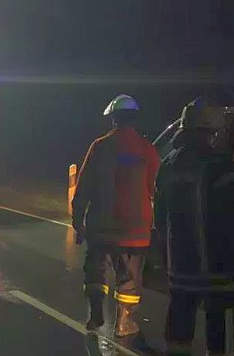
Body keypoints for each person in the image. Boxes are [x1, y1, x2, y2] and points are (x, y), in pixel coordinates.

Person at [153, 99, 234, 355]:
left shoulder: (168, 165)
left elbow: (160, 218)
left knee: (179, 328)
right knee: (219, 332)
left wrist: (165, 257)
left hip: (181, 268)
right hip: (219, 269)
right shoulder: (223, 166)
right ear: (212, 131)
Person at [72, 94, 160, 336]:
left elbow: (84, 185)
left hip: (101, 224)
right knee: (129, 278)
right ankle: (124, 323)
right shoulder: (147, 149)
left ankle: (96, 315)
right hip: (136, 229)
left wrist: (77, 220)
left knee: (96, 271)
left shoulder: (100, 146)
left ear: (113, 119)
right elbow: (155, 188)